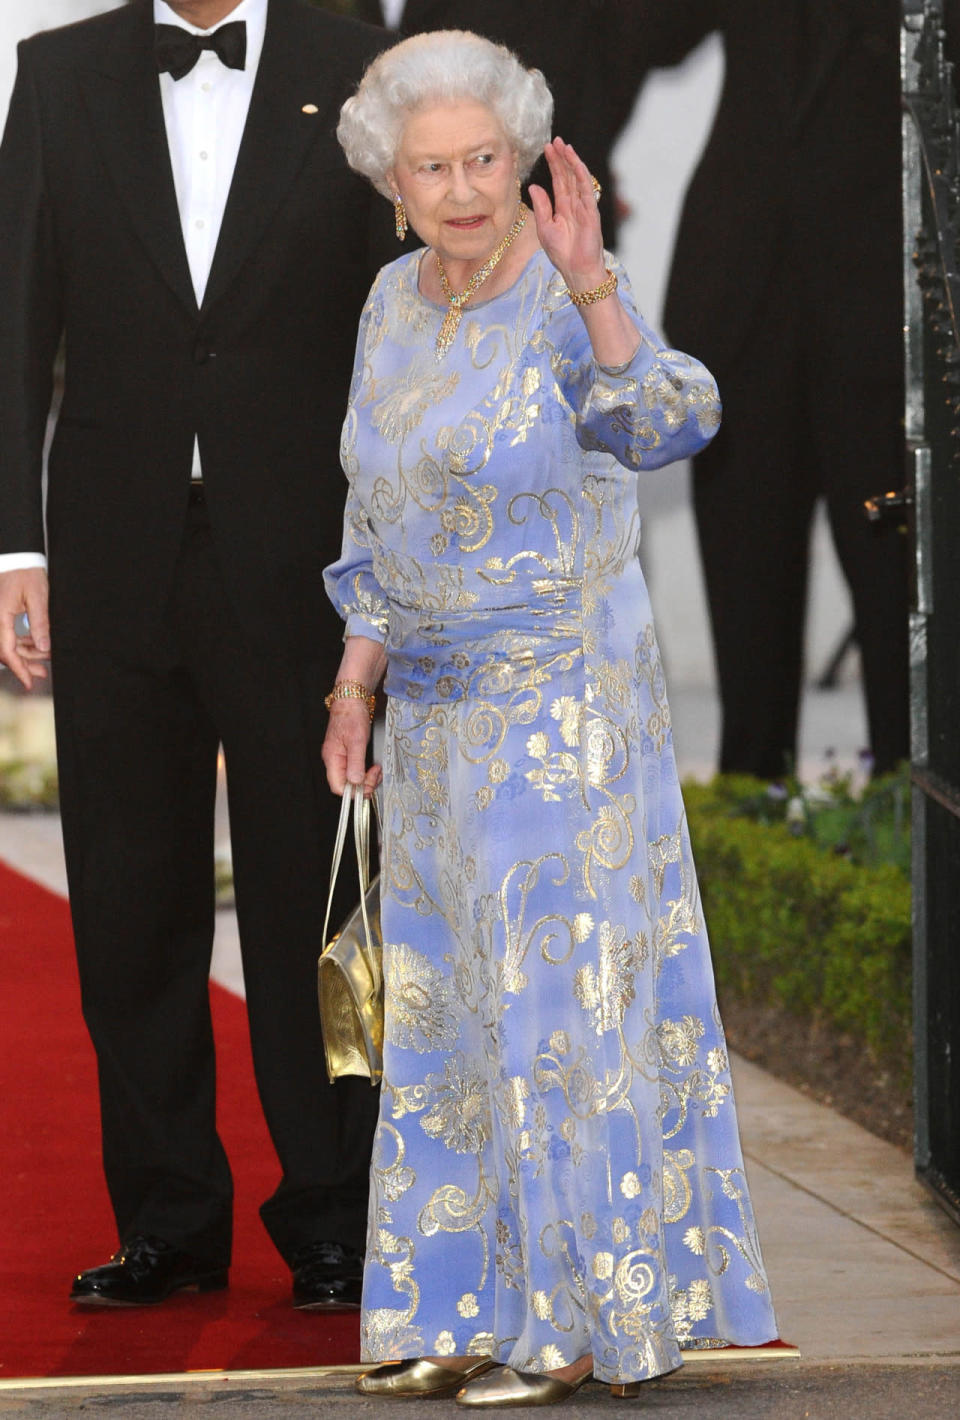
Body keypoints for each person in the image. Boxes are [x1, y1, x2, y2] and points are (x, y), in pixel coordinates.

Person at [321, 30, 778, 1404]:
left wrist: (596, 291)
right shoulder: (392, 301)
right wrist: (357, 681)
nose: (461, 189)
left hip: (563, 712)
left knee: (553, 1021)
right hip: (436, 722)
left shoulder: (566, 297)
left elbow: (672, 422)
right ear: (391, 183)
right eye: (432, 167)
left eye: (484, 161)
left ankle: (579, 1321)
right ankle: (458, 1307)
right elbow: (376, 517)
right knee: (451, 1023)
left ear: (525, 167)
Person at [0, 0, 385, 1309]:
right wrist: (14, 552)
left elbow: (403, 304)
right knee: (130, 896)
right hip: (113, 552)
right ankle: (169, 1221)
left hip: (304, 554)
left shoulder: (355, 62)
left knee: (313, 896)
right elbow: (13, 323)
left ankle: (334, 1218)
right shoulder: (57, 75)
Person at [616, 0, 909, 779]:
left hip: (887, 301)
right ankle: (753, 811)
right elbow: (645, 34)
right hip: (742, 292)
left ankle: (907, 827)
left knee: (897, 596)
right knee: (747, 582)